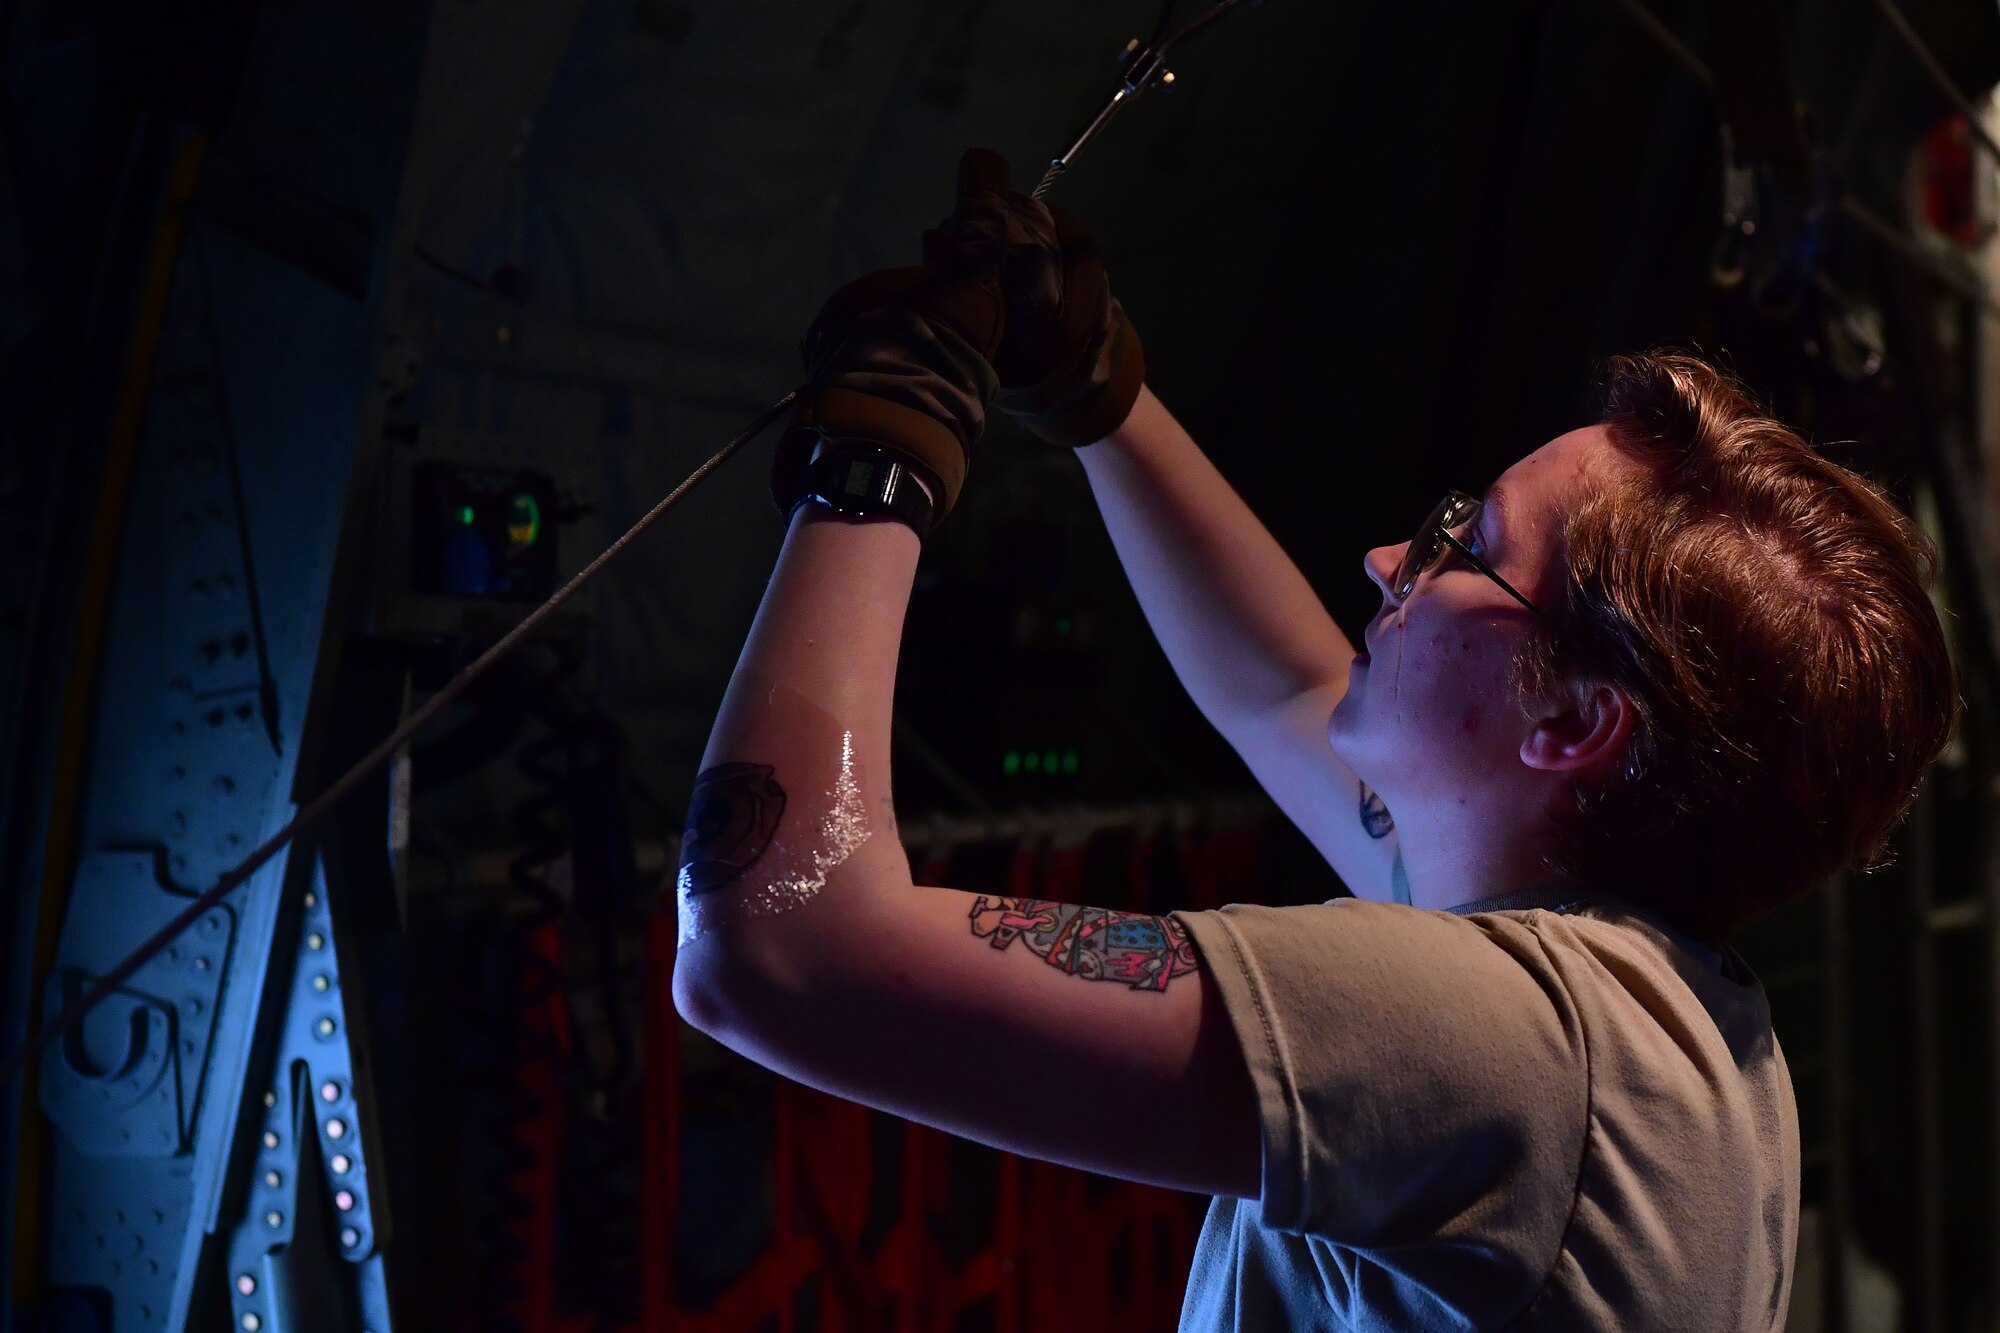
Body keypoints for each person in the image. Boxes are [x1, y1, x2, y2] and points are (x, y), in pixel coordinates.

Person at [671, 148, 1958, 1330]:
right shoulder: (1661, 1030)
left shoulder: (1500, 1045)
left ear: (1573, 720)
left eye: (1466, 546)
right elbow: (1284, 688)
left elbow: (780, 946)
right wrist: (1095, 389)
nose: (1390, 557)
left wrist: (881, 458)